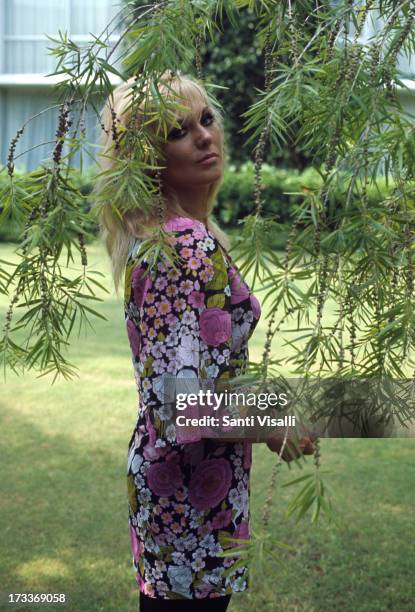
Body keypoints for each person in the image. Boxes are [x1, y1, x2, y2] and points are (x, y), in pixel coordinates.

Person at [96, 71, 315, 611]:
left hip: (185, 496)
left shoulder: (171, 239)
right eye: (177, 130)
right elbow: (181, 404)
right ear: (144, 159)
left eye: (207, 120)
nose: (204, 137)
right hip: (186, 500)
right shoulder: (183, 247)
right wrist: (274, 420)